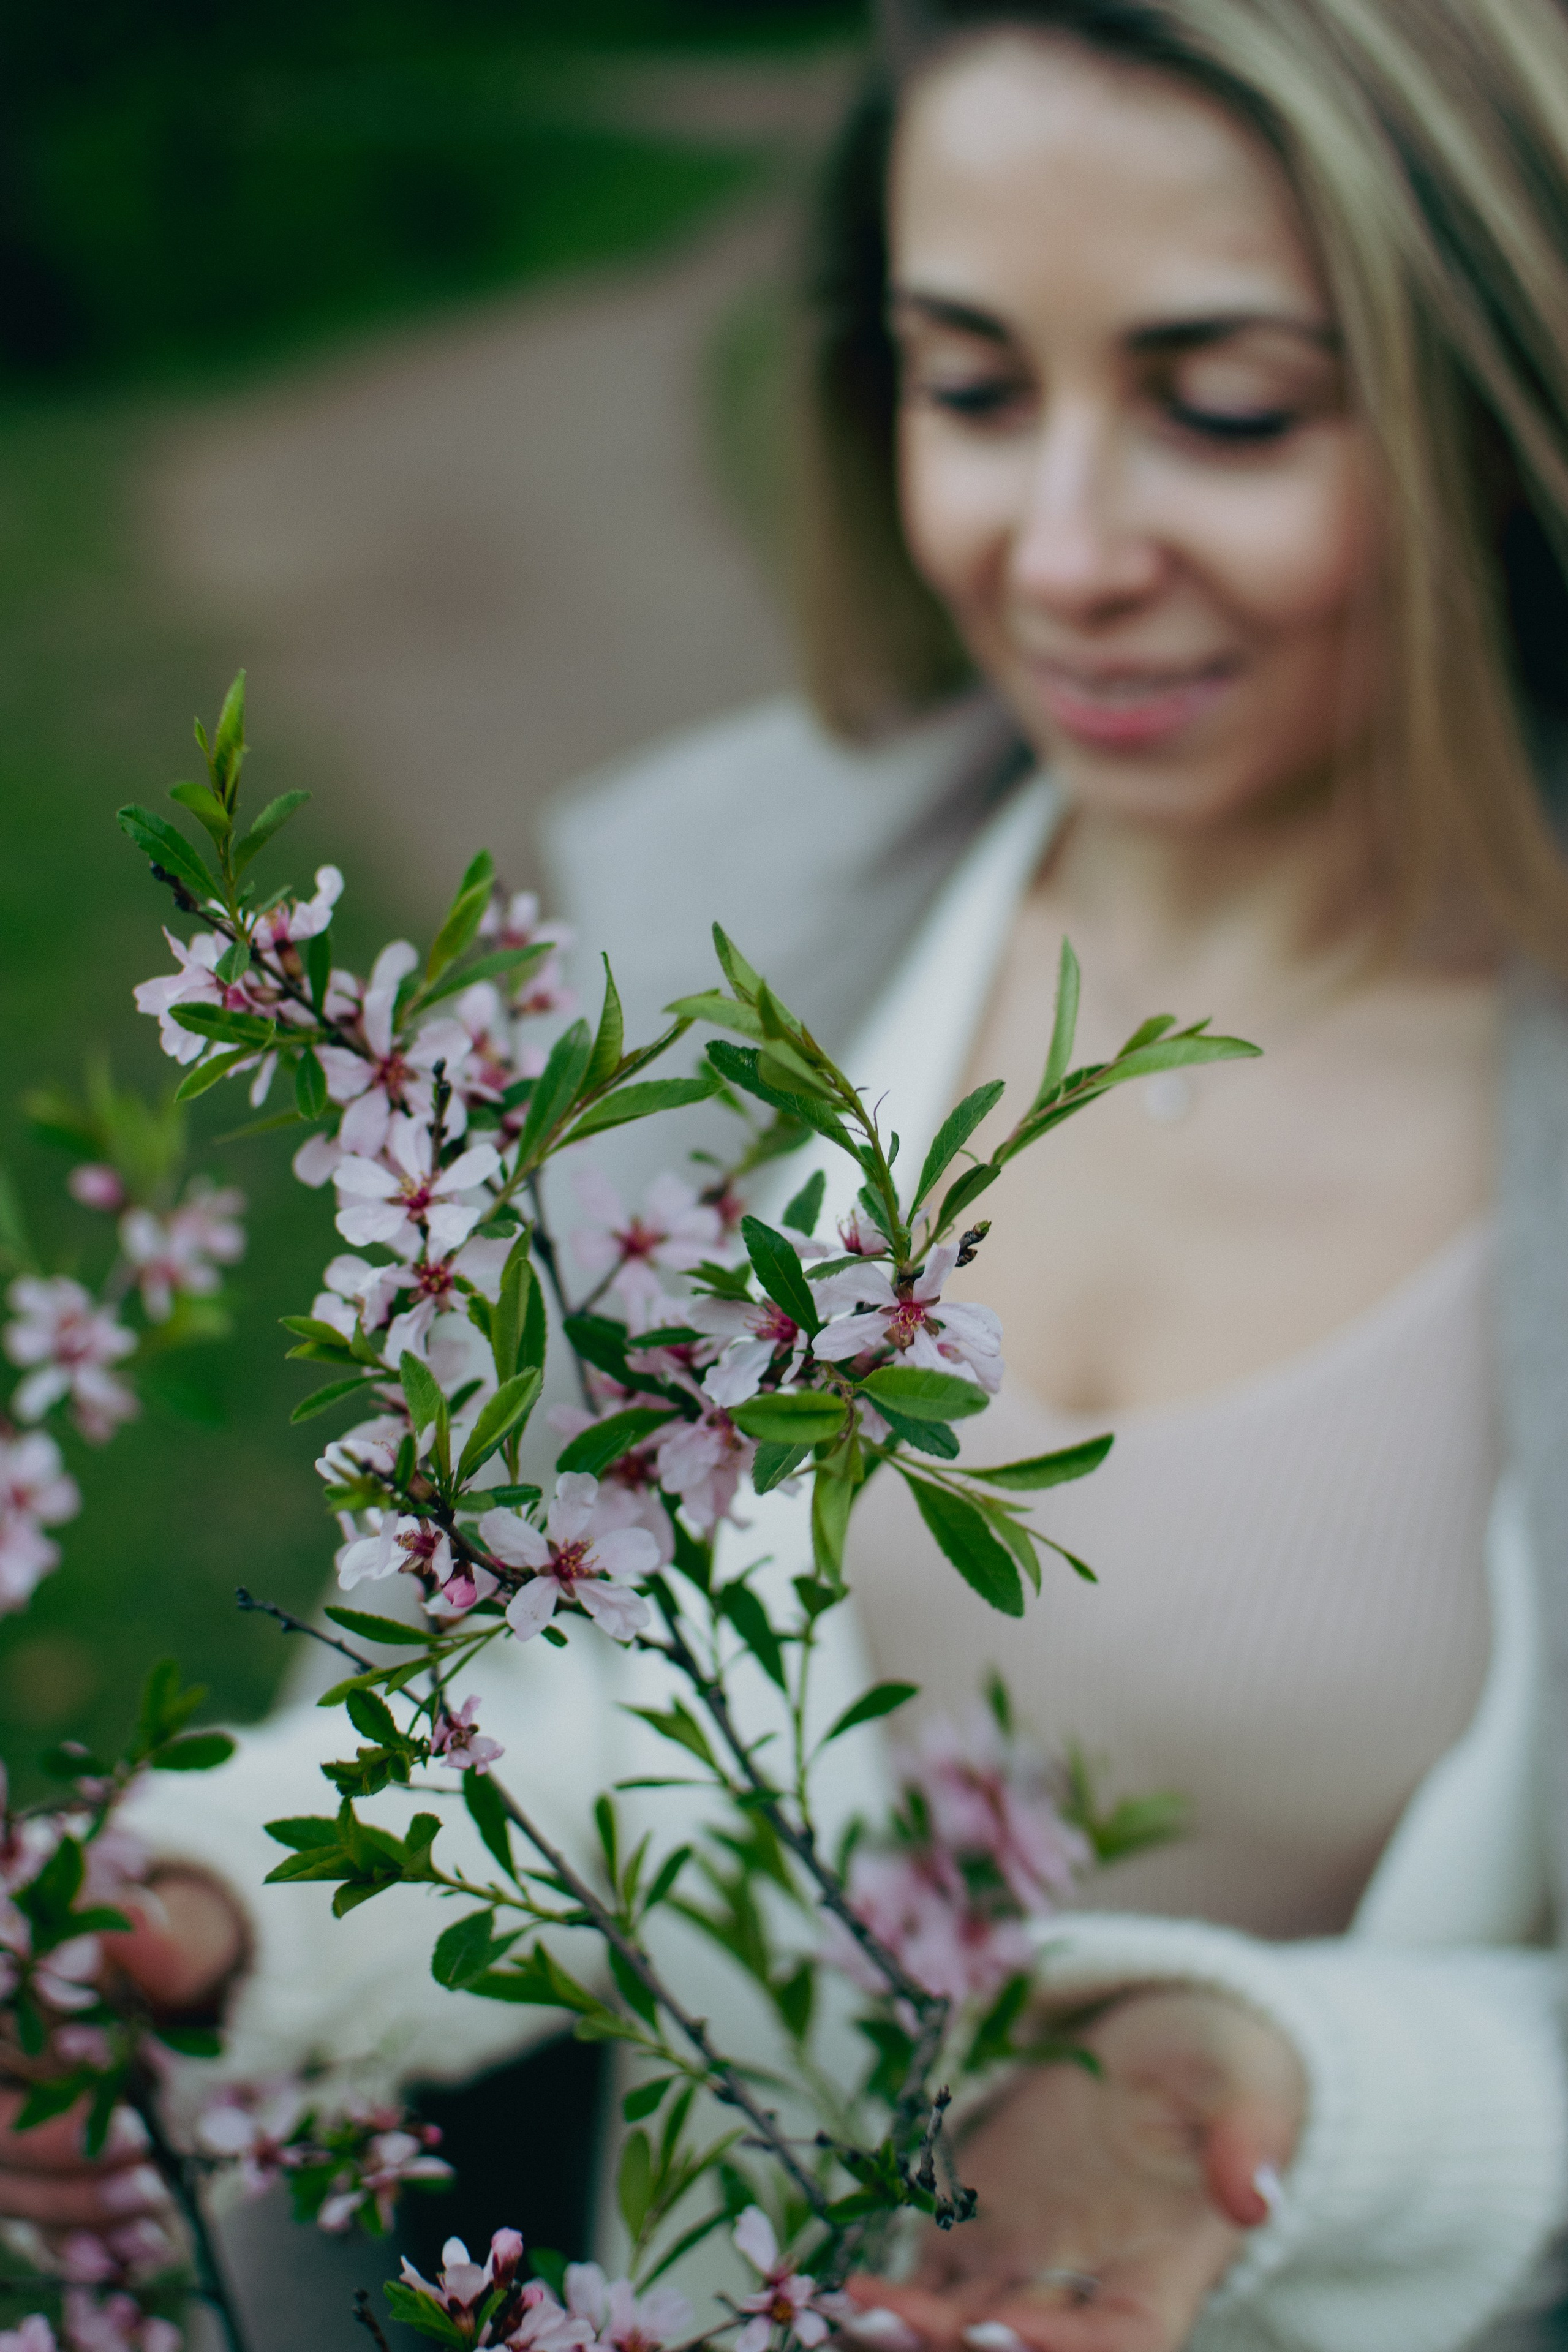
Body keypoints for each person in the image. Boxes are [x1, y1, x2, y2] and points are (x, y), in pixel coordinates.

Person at [12, 2, 1568, 2345]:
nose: (1054, 550)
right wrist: (236, 1896)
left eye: (1224, 406)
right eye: (968, 387)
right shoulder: (715, 916)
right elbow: (596, 1706)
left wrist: (1291, 2099)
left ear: (1496, 378)